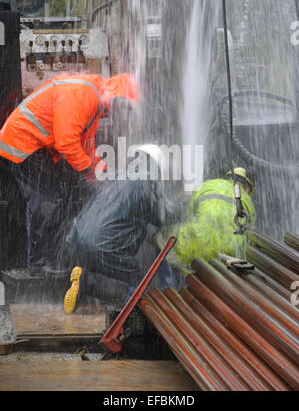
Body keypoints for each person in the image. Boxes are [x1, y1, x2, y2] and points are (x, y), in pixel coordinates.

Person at [0, 73, 139, 275]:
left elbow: (86, 147)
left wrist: (103, 174)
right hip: (23, 143)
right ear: (115, 96)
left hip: (34, 145)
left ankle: (45, 259)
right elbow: (66, 143)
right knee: (48, 201)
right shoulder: (84, 94)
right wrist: (87, 173)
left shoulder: (94, 105)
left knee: (62, 198)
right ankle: (38, 266)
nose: (123, 113)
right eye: (124, 105)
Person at [63, 144, 185, 314]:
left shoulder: (116, 177)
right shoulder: (146, 183)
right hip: (105, 247)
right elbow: (163, 217)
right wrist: (186, 207)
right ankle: (128, 316)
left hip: (77, 242)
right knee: (140, 282)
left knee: (107, 269)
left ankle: (86, 278)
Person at [157, 168, 256, 273]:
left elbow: (188, 215)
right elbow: (249, 233)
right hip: (228, 256)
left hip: (194, 249)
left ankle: (169, 285)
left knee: (162, 238)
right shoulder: (247, 200)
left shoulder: (206, 185)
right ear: (247, 189)